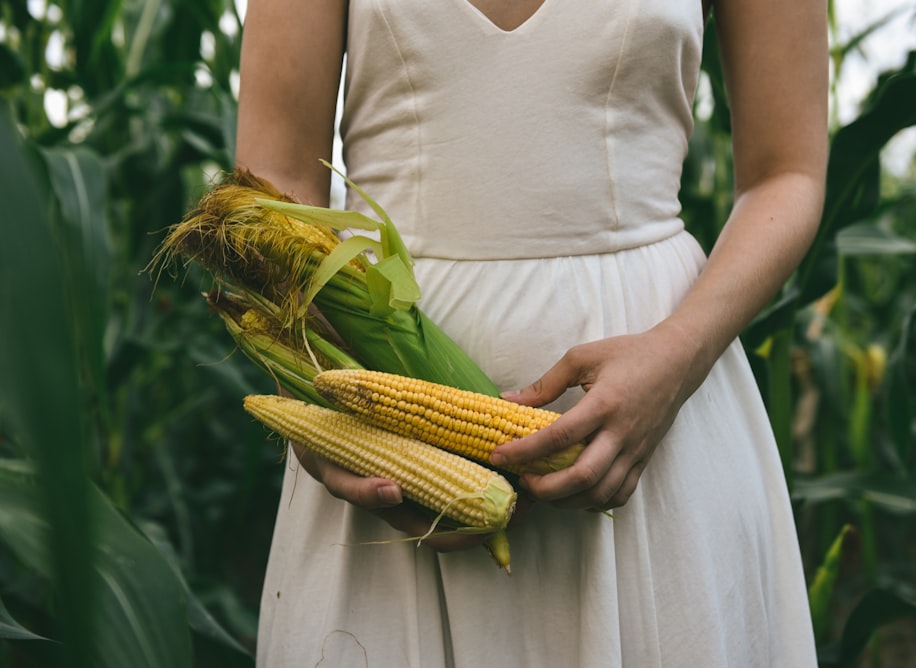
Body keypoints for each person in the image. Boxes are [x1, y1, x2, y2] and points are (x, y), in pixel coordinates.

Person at [236, 0, 828, 665]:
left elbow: (788, 174)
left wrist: (678, 354)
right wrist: (325, 421)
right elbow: (272, 185)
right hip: (378, 424)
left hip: (664, 423)